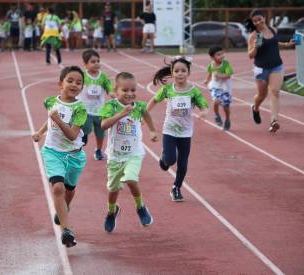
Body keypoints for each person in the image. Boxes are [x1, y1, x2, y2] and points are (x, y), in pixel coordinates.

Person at [32, 66, 87, 248]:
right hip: (52, 151)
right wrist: (40, 132)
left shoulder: (80, 109)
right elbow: (50, 119)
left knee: (69, 190)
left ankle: (64, 208)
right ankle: (66, 230)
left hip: (74, 155)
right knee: (57, 188)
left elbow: (72, 135)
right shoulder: (49, 102)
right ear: (60, 84)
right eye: (70, 81)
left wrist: (57, 120)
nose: (74, 84)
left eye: (79, 82)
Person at [99, 72, 157, 233]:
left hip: (134, 153)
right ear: (116, 91)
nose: (130, 94)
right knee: (113, 189)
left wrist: (152, 130)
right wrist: (121, 114)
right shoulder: (110, 106)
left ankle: (140, 207)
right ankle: (112, 211)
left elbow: (146, 114)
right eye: (125, 90)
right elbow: (103, 125)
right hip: (115, 155)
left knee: (131, 179)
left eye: (133, 90)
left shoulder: (138, 106)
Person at [147, 57, 209, 202]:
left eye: (183, 71)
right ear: (172, 73)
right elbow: (154, 100)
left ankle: (176, 187)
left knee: (183, 161)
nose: (180, 73)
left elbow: (203, 105)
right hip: (169, 129)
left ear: (188, 73)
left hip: (186, 131)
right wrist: (145, 113)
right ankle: (165, 158)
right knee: (170, 160)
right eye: (177, 71)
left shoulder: (194, 91)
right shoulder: (167, 90)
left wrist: (204, 112)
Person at [247, 9, 296, 132]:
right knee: (261, 96)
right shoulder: (253, 36)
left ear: (264, 18)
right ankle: (255, 108)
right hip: (261, 69)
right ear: (253, 23)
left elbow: (274, 43)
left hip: (276, 66)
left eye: (259, 19)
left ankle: (274, 120)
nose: (258, 22)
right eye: (255, 21)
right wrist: (256, 46)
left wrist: (286, 45)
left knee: (274, 92)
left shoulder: (273, 29)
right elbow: (250, 55)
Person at [78, 49, 114, 160]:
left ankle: (98, 150)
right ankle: (83, 136)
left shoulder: (103, 76)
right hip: (85, 109)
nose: (97, 63)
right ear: (85, 64)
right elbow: (76, 85)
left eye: (98, 61)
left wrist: (112, 93)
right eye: (93, 61)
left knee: (100, 133)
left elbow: (109, 87)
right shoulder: (83, 75)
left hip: (100, 110)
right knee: (87, 127)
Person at [204, 46, 233, 131]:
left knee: (226, 106)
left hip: (225, 88)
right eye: (218, 54)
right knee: (216, 101)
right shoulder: (210, 66)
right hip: (215, 86)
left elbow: (228, 75)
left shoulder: (226, 64)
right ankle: (217, 115)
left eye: (222, 54)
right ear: (212, 57)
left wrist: (220, 76)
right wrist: (206, 80)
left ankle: (227, 119)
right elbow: (209, 73)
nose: (221, 56)